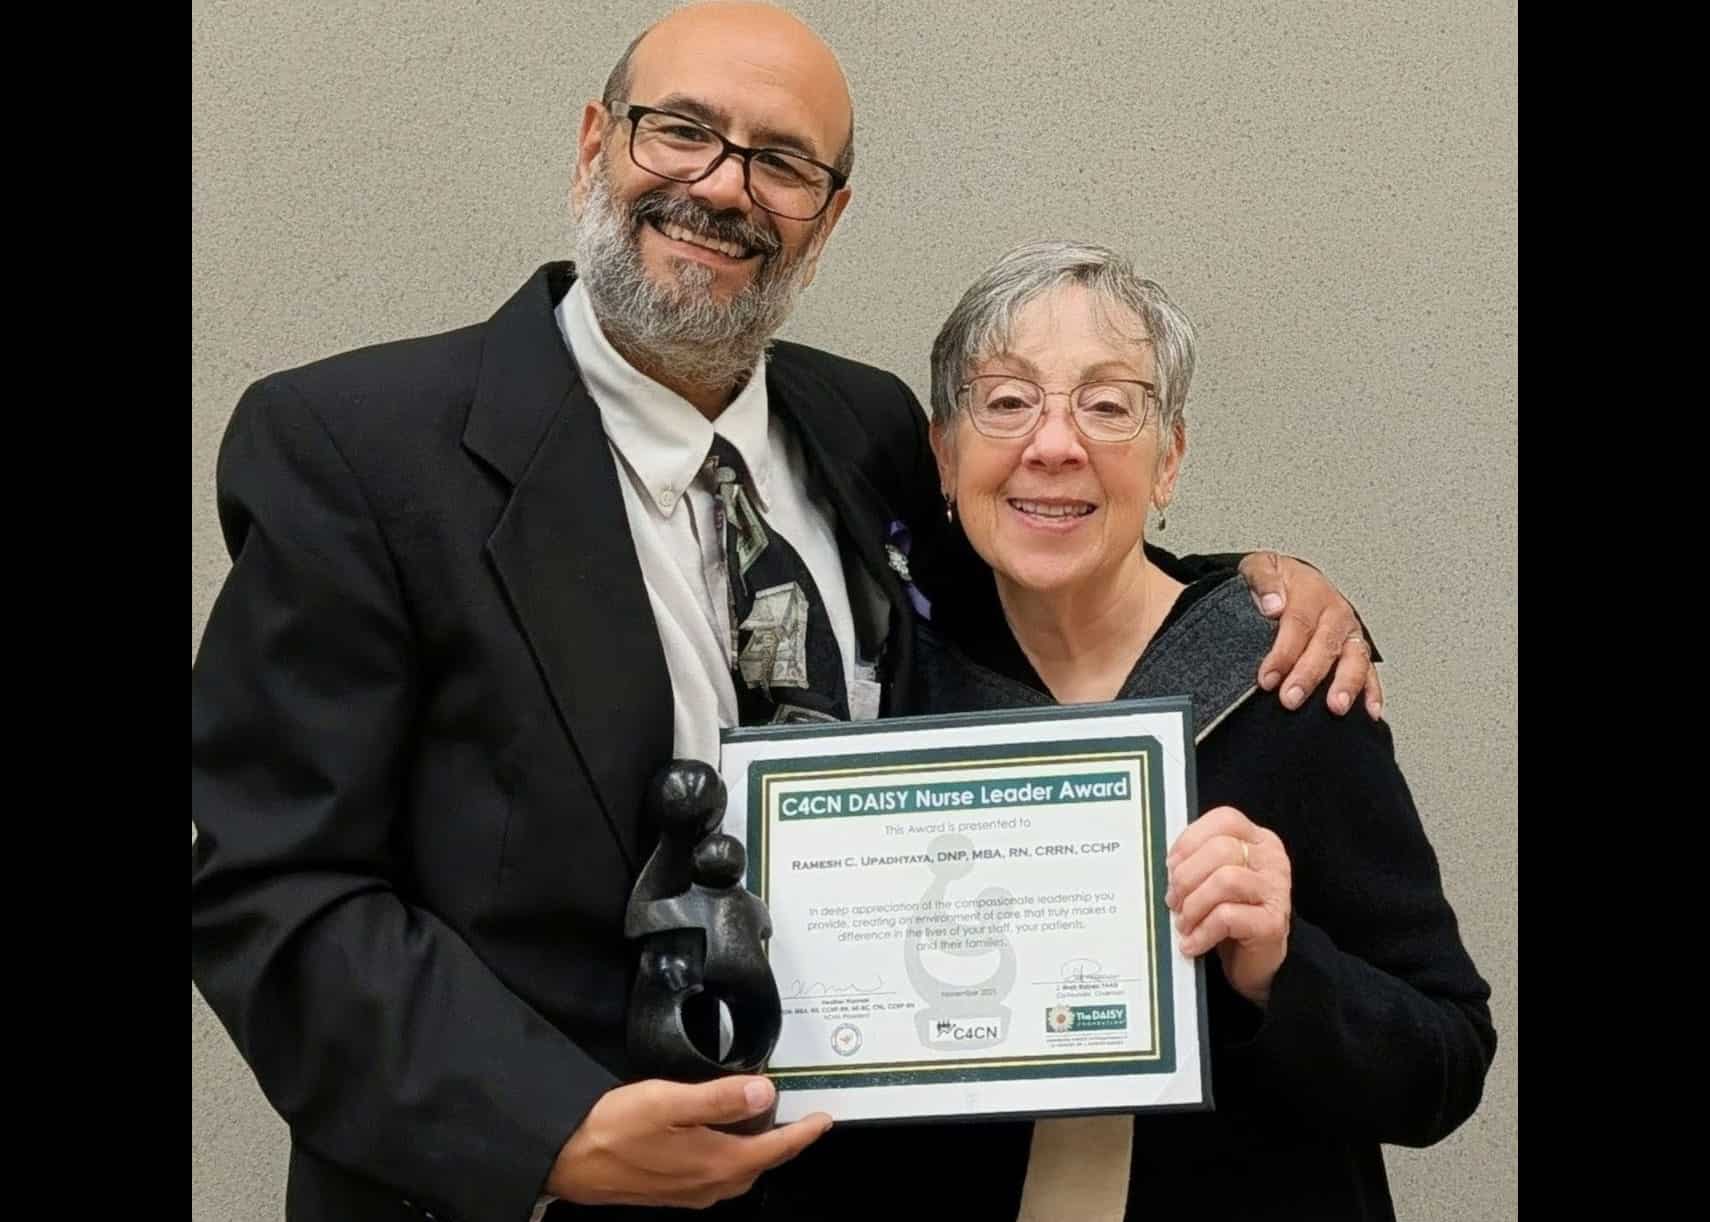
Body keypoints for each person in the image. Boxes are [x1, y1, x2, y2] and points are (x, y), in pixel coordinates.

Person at [190, 6, 1384, 1220]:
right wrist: (552, 1128)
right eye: (682, 132)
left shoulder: (862, 429)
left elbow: (1048, 546)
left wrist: (1256, 594)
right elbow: (275, 890)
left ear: (829, 213)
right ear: (597, 141)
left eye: (782, 162)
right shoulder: (356, 449)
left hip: (855, 1185)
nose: (722, 188)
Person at [875, 238, 1495, 1222]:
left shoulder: (1286, 679)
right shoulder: (885, 694)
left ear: (1168, 458)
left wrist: (1283, 966)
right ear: (947, 455)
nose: (1054, 442)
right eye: (1007, 401)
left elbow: (1447, 1064)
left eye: (1109, 405)